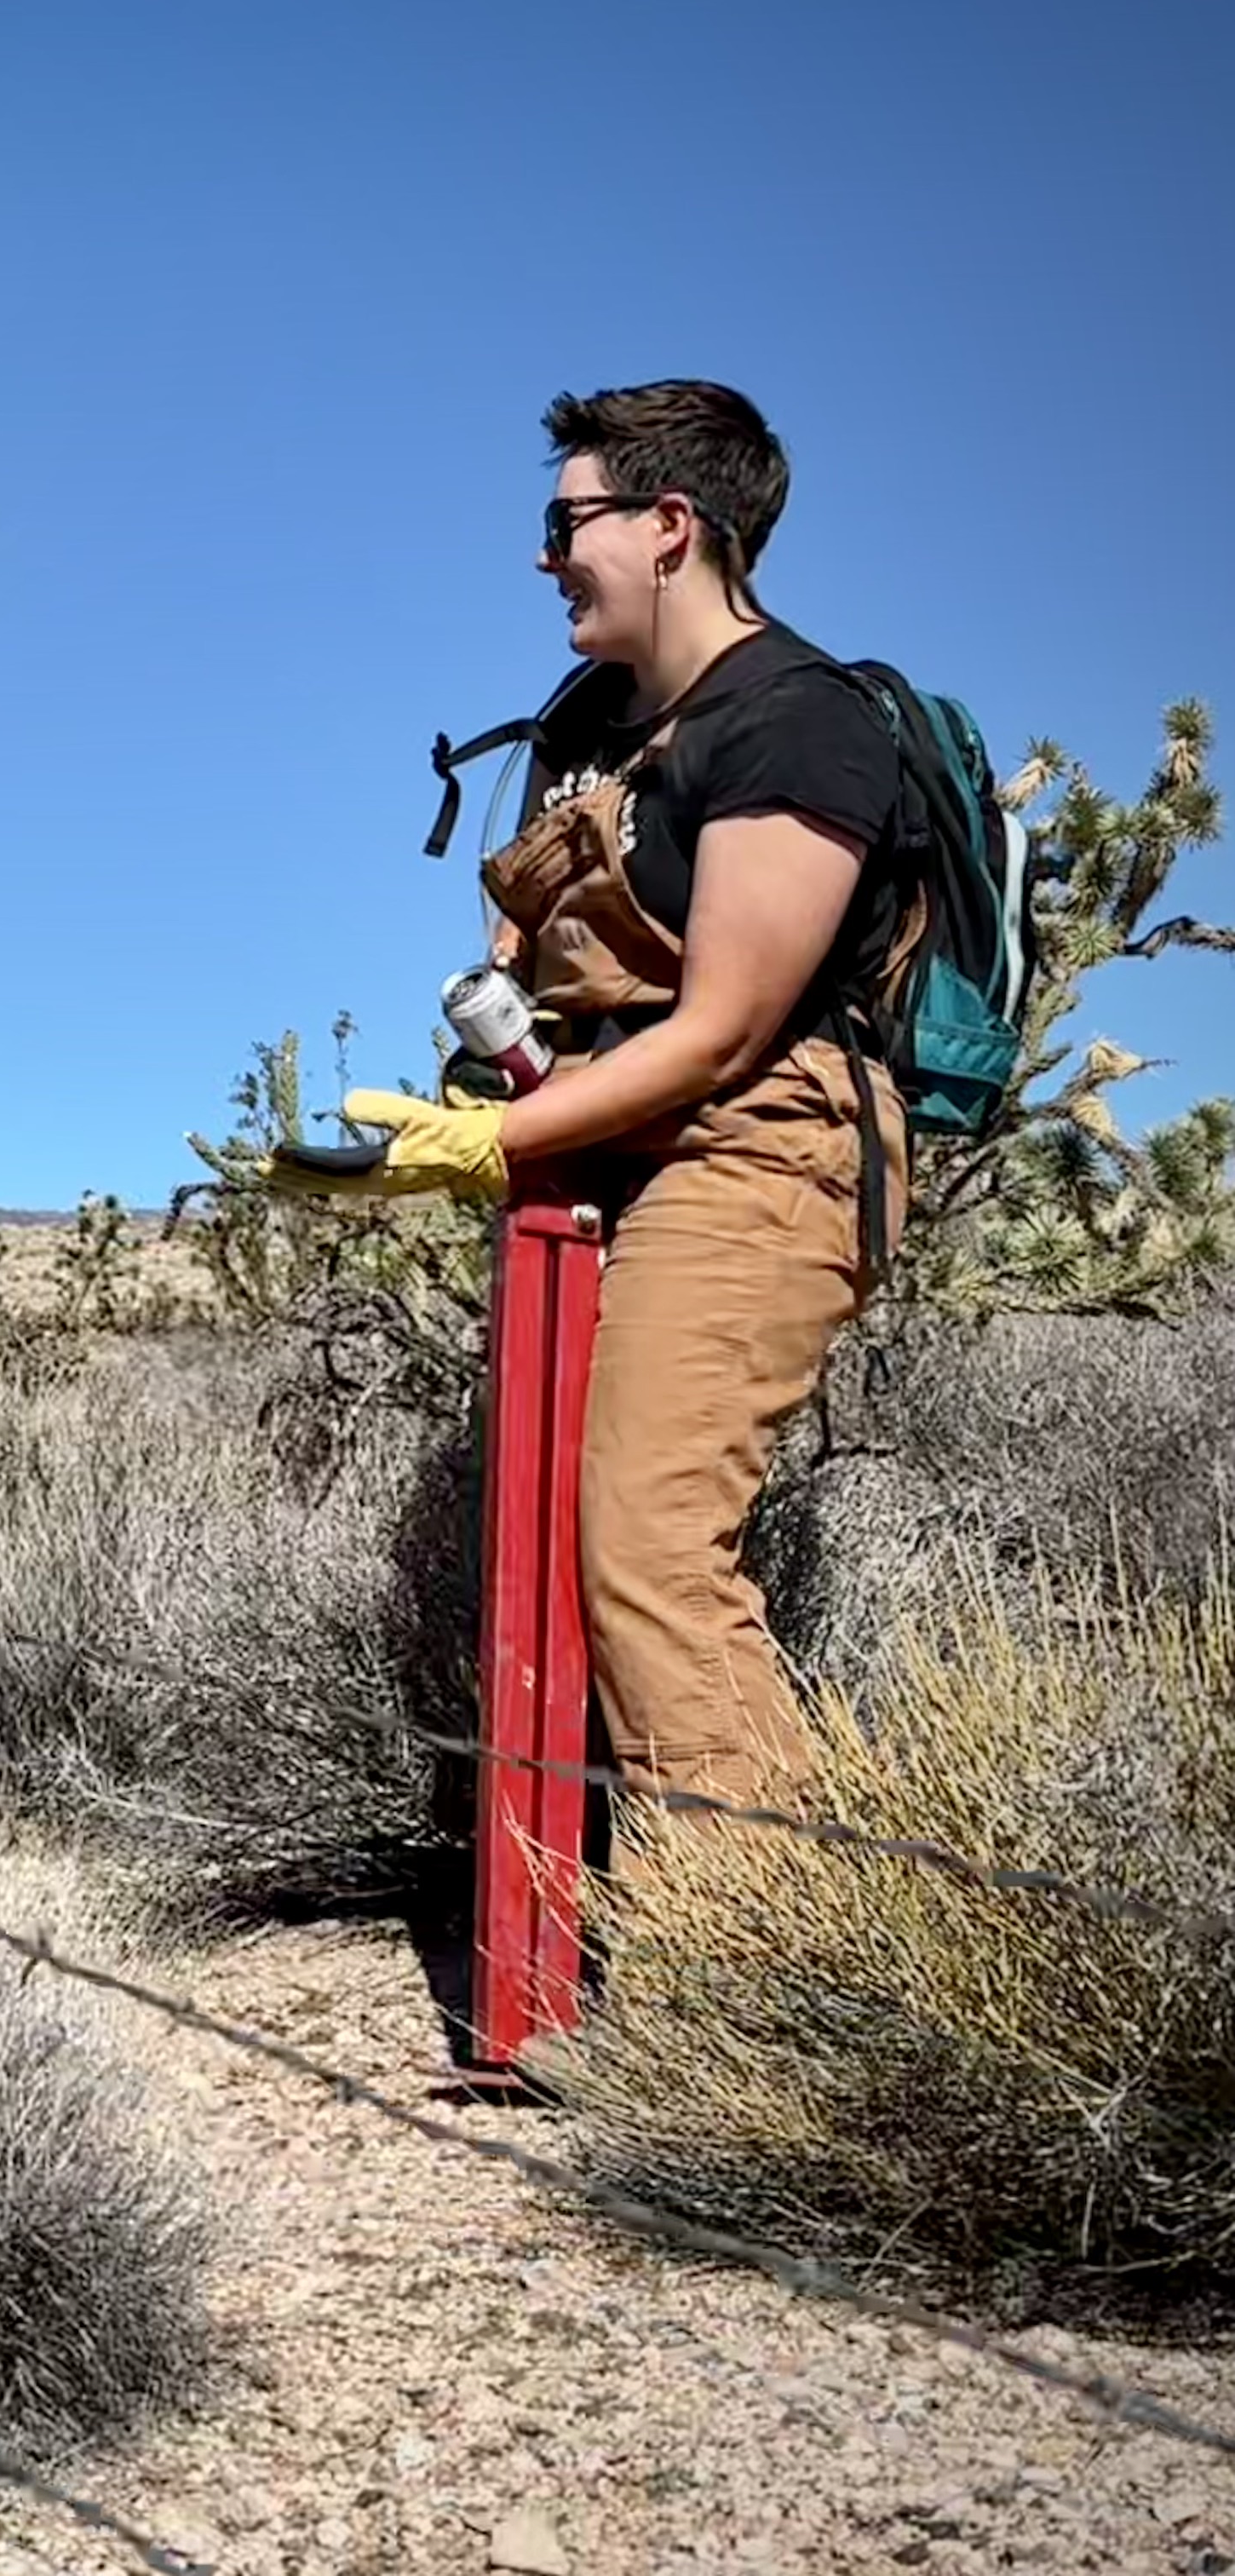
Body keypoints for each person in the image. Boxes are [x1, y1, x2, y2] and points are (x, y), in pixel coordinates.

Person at [277, 378, 909, 1816]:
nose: (543, 555)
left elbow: (722, 1031)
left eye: (568, 522)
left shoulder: (799, 727)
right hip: (607, 1143)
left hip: (761, 1145)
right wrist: (475, 1089)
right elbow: (525, 960)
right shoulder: (593, 728)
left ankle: (753, 1989)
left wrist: (488, 1141)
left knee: (649, 1544)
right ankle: (595, 1935)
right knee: (557, 1540)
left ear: (672, 526)